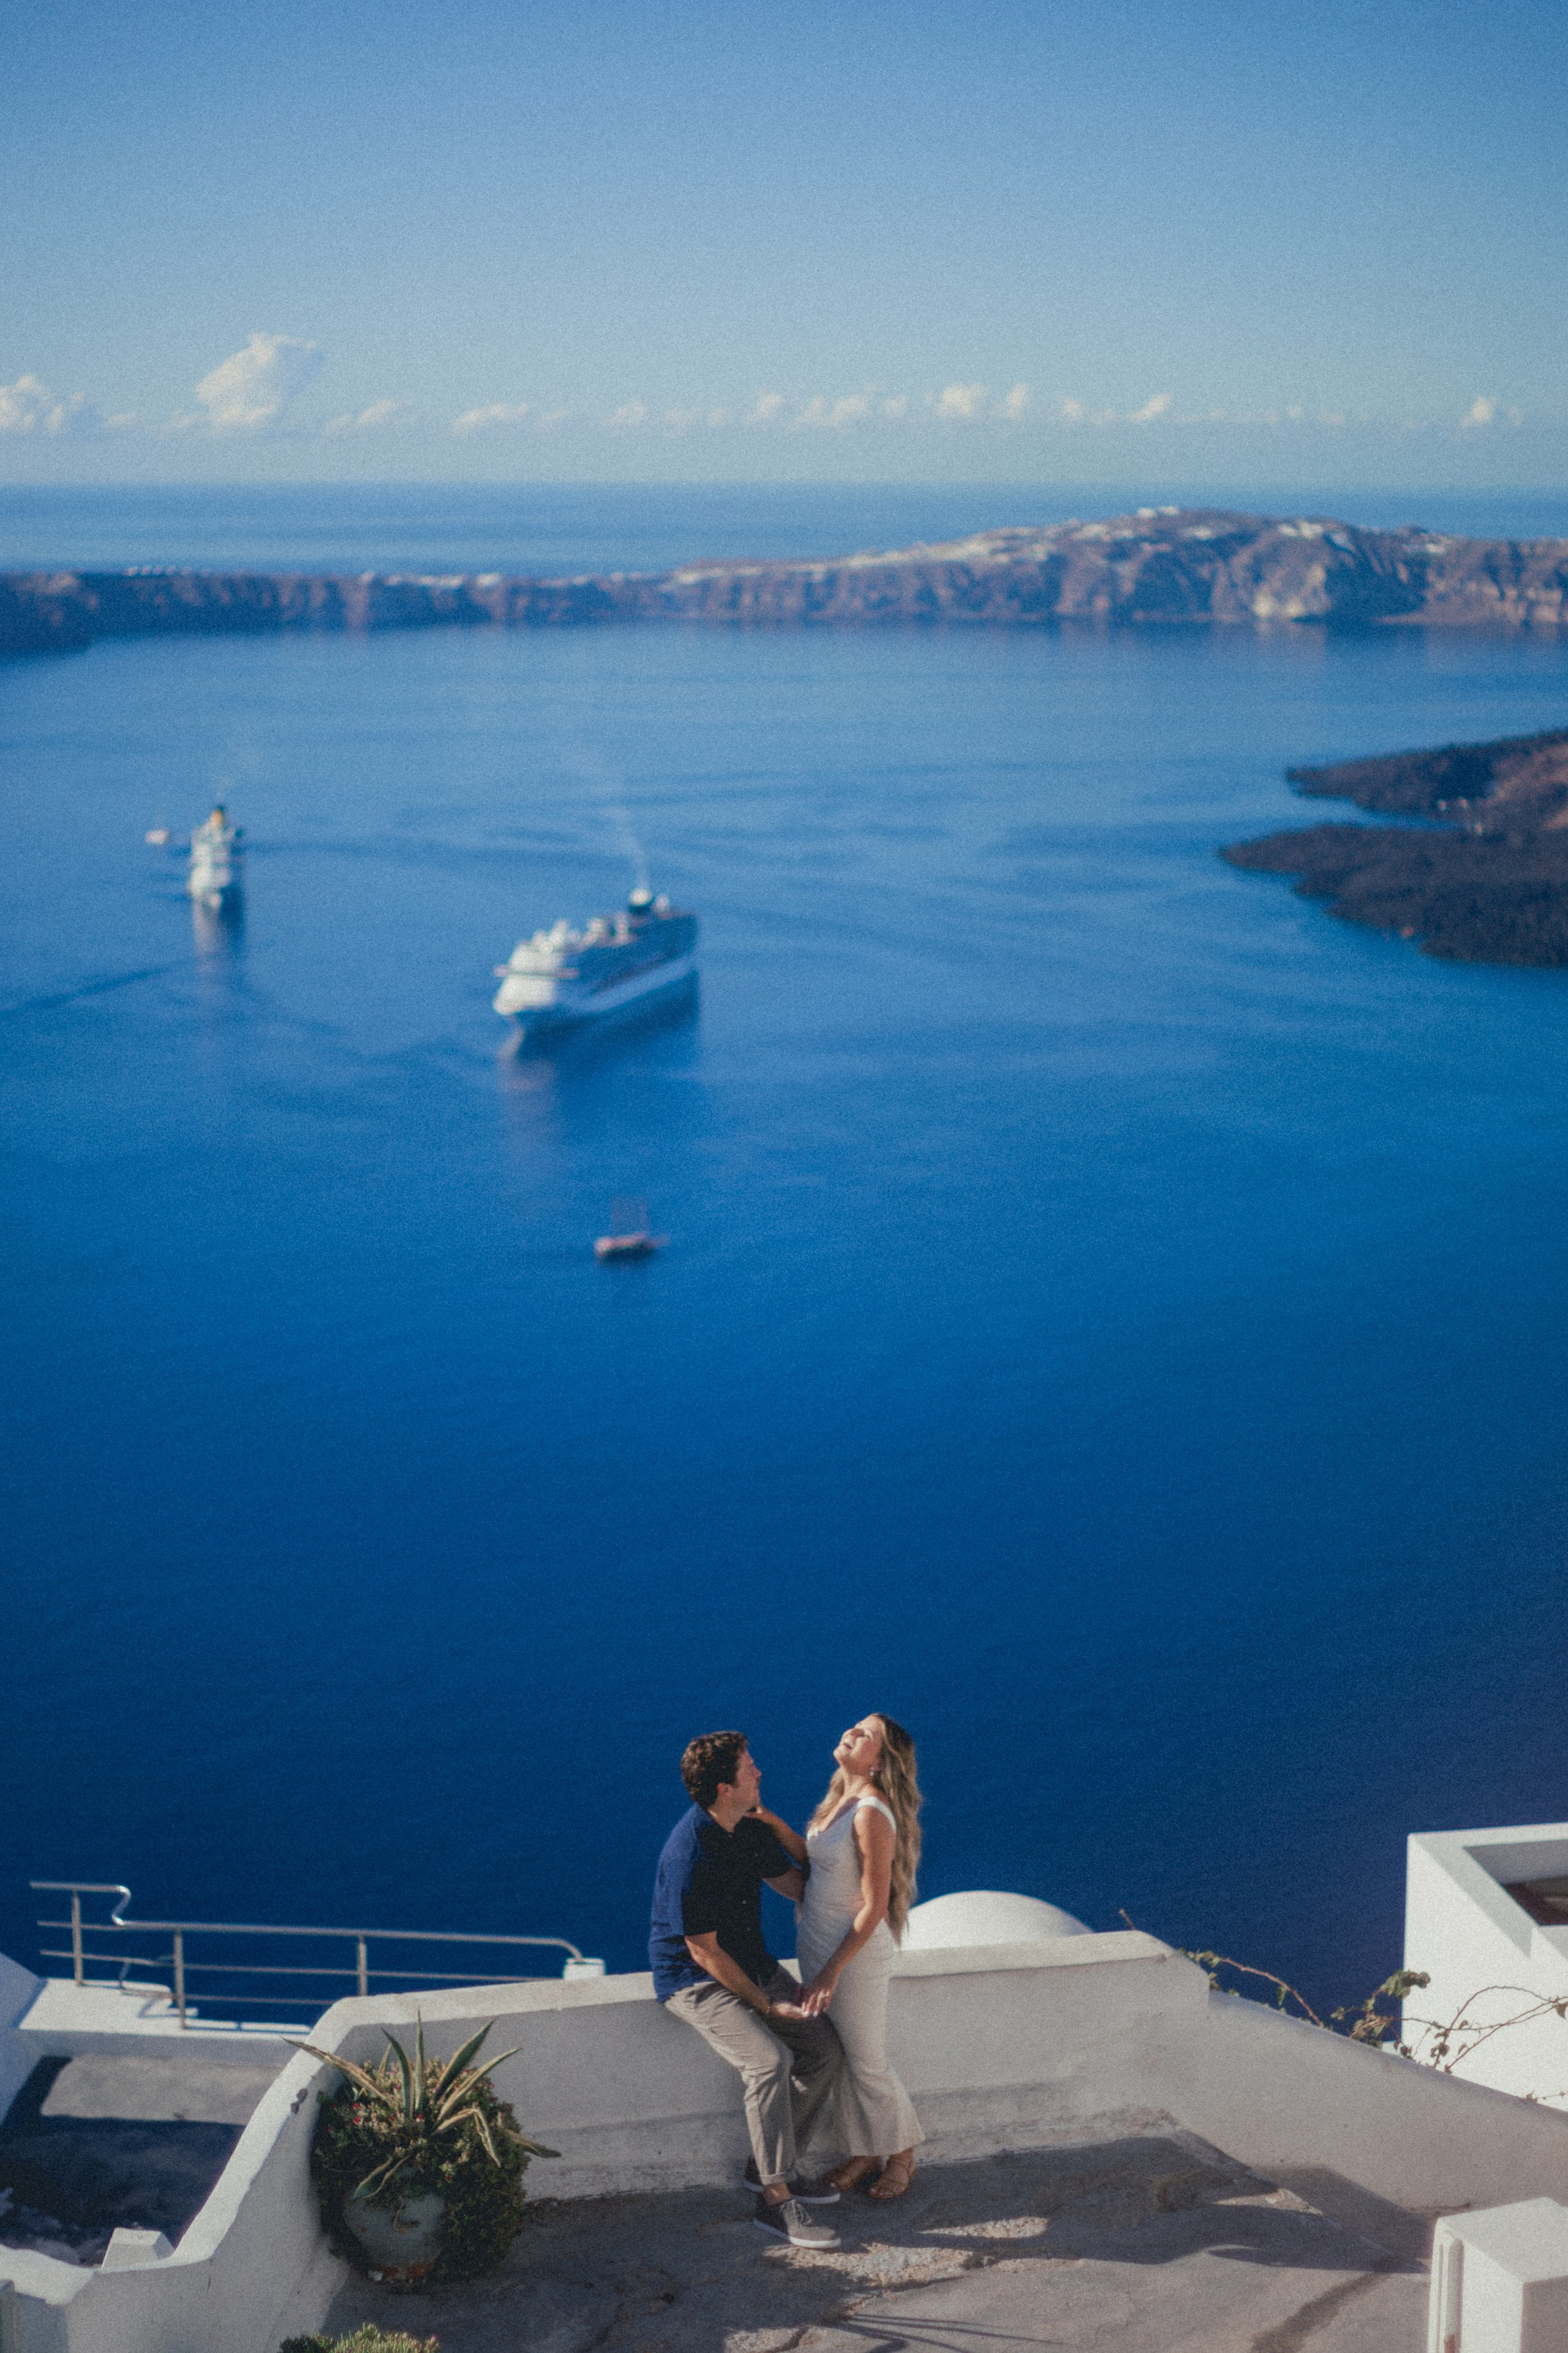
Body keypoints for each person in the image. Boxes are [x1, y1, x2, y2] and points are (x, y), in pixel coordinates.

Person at [650, 1729, 846, 2248]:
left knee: (824, 2051)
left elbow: (804, 1884)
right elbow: (704, 1951)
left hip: (750, 1964)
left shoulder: (749, 1829)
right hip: (695, 1980)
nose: (759, 1772)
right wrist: (766, 2003)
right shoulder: (688, 1854)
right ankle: (776, 2201)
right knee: (768, 2060)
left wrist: (779, 1825)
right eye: (749, 1769)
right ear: (723, 1788)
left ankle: (765, 2168)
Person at [777, 1712, 926, 2200]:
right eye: (855, 1726)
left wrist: (831, 1973)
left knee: (867, 2060)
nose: (853, 1732)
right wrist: (768, 1822)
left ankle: (902, 2152)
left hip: (853, 1955)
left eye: (867, 1735)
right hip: (818, 1942)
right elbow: (818, 1866)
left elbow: (874, 1906)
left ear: (881, 1762)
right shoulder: (840, 1798)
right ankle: (865, 2151)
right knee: (841, 2059)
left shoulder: (870, 1813)